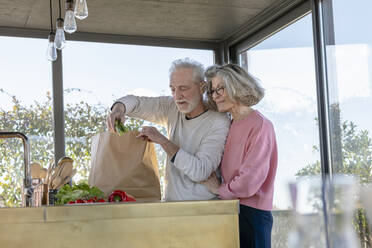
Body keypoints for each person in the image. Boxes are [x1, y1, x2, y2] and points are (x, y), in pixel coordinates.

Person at [106, 58, 230, 201]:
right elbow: (137, 103)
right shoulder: (171, 107)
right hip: (171, 206)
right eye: (173, 89)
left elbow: (201, 171)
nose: (177, 96)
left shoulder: (218, 121)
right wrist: (118, 109)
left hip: (204, 209)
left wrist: (162, 140)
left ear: (202, 87)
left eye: (183, 88)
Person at [201, 64, 278, 248]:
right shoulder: (230, 124)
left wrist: (218, 189)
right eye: (213, 90)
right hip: (231, 209)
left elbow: (248, 183)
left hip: (252, 215)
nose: (215, 95)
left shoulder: (261, 126)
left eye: (221, 88)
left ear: (237, 86)